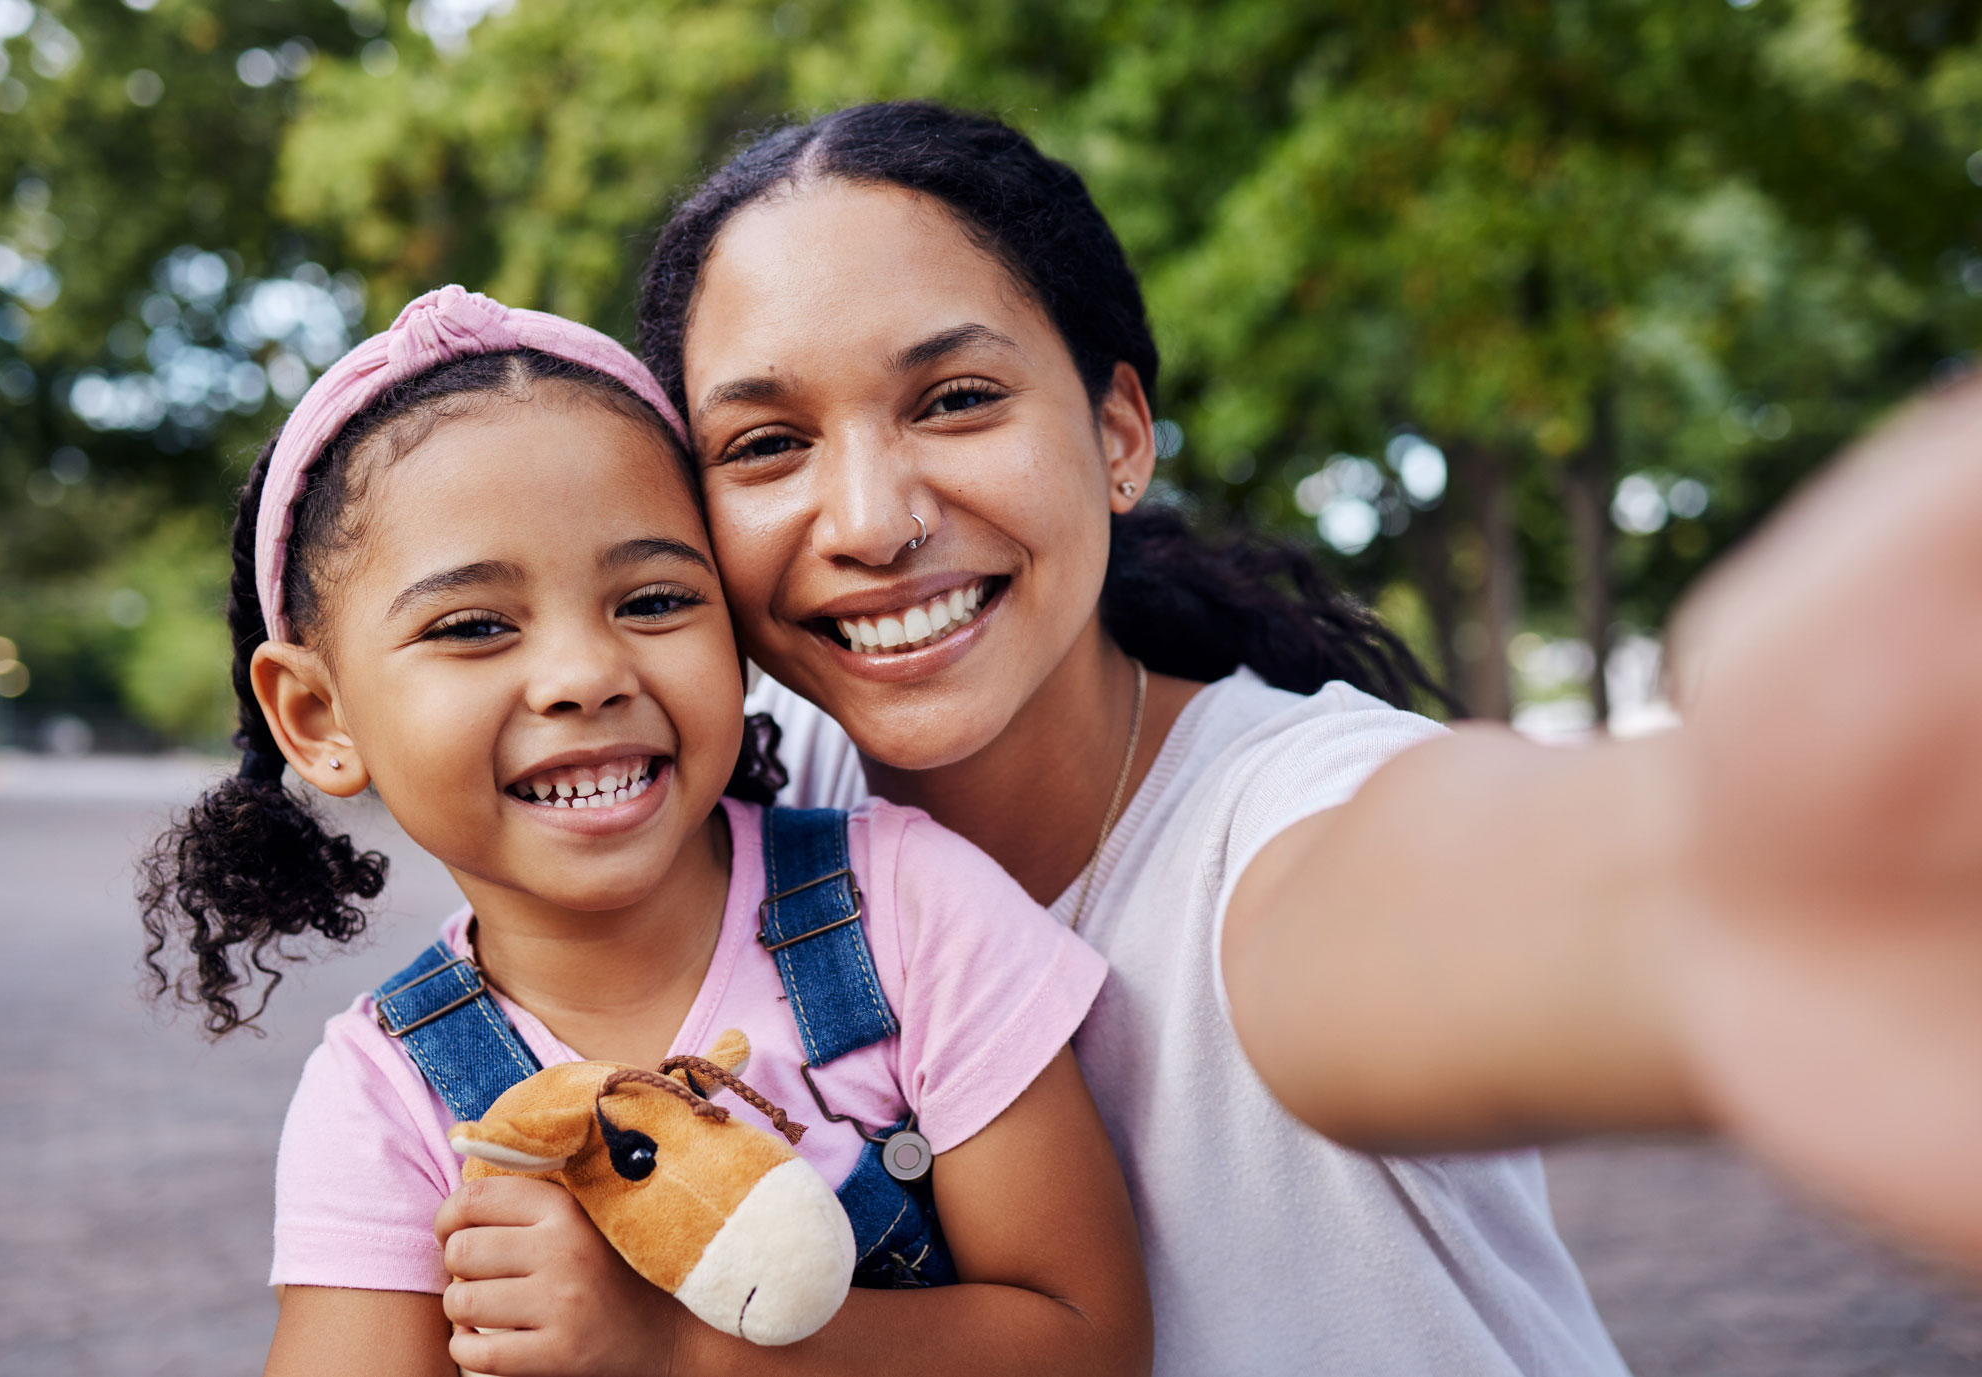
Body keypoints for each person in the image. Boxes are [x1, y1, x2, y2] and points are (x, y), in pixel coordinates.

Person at [455, 96, 1982, 1372]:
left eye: (958, 398)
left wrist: (1747, 873)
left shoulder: (1289, 826)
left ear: (1118, 434)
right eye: (768, 444)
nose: (871, 517)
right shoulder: (762, 840)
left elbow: (1458, 902)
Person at [138, 286, 1151, 1377]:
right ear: (319, 717)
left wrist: (677, 1350)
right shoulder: (388, 1102)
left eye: (655, 601)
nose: (584, 676)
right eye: (474, 626)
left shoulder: (907, 911)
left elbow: (1088, 1340)